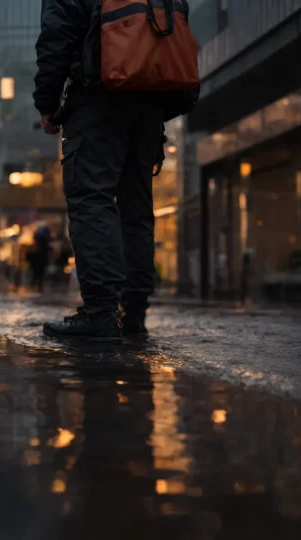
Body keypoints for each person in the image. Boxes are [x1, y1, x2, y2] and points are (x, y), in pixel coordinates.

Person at [34, 0, 193, 341]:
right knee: (136, 210)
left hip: (98, 99)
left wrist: (47, 103)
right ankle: (133, 314)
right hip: (149, 104)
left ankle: (102, 313)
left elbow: (56, 37)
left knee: (92, 201)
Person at [31, 222, 53, 292]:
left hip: (39, 257)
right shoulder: (46, 235)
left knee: (39, 271)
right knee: (41, 271)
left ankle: (38, 283)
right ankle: (39, 283)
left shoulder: (38, 235)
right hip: (42, 257)